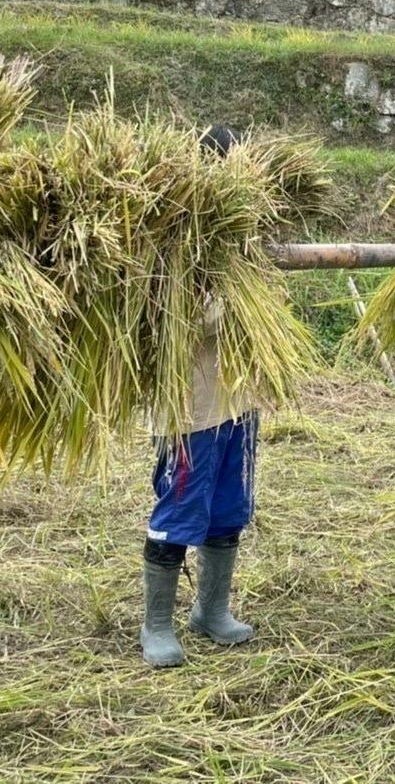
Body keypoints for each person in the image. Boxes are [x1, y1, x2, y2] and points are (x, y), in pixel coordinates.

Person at [140, 124, 261, 667]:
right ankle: (157, 624)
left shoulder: (247, 238)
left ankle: (211, 611)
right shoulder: (171, 237)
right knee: (181, 508)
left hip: (239, 400)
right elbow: (177, 319)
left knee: (229, 510)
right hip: (192, 405)